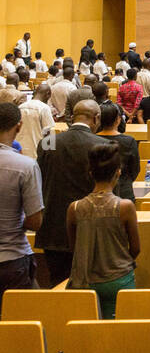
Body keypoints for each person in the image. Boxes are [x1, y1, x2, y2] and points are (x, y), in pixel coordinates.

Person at [37, 100, 110, 285]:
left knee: (57, 284)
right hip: (91, 226)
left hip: (53, 226)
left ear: (71, 117)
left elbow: (41, 176)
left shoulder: (48, 142)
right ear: (96, 118)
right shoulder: (104, 144)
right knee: (91, 287)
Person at [66, 144, 140, 320]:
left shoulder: (74, 208)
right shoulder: (125, 207)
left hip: (84, 281)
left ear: (90, 173)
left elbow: (74, 247)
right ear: (118, 172)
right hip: (119, 278)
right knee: (121, 334)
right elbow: (136, 248)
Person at [0, 103, 42, 304]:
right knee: (22, 325)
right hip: (13, 258)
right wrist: (16, 223)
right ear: (19, 126)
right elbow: (35, 221)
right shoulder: (25, 166)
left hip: (13, 259)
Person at [94, 103, 139, 202]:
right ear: (118, 119)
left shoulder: (92, 139)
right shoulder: (129, 141)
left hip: (97, 192)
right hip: (124, 191)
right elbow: (135, 169)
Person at [18, 83, 54, 158]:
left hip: (20, 151)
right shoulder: (44, 108)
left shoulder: (20, 107)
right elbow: (49, 134)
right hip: (36, 152)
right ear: (48, 94)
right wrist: (49, 155)